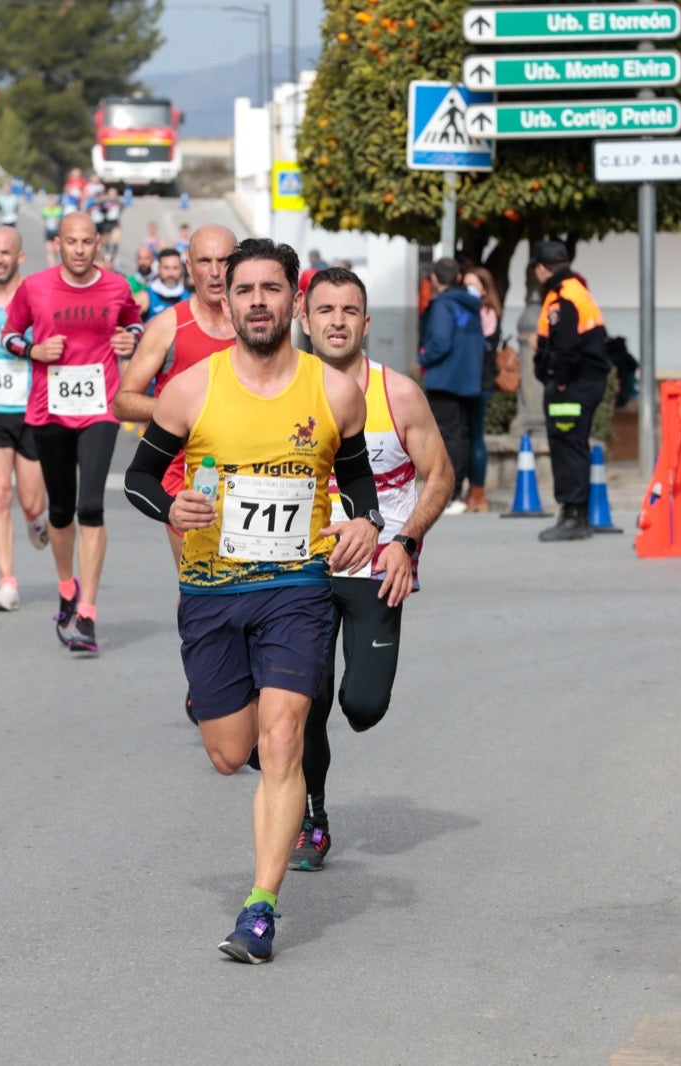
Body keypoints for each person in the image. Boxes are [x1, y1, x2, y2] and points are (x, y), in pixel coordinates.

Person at [122, 238, 381, 963]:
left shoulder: (332, 390)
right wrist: (169, 509)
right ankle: (262, 785)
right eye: (245, 290)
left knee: (283, 737)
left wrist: (364, 522)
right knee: (229, 752)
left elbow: (359, 484)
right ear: (226, 301)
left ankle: (260, 909)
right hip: (210, 591)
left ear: (294, 300)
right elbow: (140, 479)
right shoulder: (190, 389)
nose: (259, 301)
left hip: (297, 589)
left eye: (272, 289)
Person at [288, 266, 453, 872]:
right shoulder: (281, 389)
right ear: (305, 319)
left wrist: (407, 542)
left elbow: (441, 474)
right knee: (304, 701)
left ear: (365, 322)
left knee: (361, 705)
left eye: (349, 311)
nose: (336, 322)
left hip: (377, 569)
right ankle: (312, 817)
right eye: (325, 310)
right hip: (299, 568)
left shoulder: (398, 393)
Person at [0, 213, 142, 651]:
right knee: (60, 510)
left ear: (98, 243)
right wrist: (34, 350)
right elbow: (9, 335)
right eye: (71, 242)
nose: (79, 249)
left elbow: (135, 322)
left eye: (86, 242)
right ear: (57, 244)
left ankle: (87, 614)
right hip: (50, 412)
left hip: (101, 408)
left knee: (92, 506)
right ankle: (67, 588)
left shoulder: (117, 286)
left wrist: (129, 339)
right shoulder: (35, 287)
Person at [114, 224, 237, 565]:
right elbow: (124, 401)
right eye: (204, 261)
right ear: (188, 264)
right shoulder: (169, 324)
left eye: (225, 261)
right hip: (186, 477)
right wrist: (183, 413)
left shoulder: (255, 326)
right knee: (199, 586)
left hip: (250, 472)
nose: (214, 272)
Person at [0, 226, 49, 611]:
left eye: (6, 253)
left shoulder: (35, 295)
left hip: (31, 408)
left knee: (31, 501)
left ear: (19, 258)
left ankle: (37, 520)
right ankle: (7, 583)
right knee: (0, 494)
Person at [531, 239, 610, 542]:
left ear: (541, 268)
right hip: (584, 381)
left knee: (567, 446)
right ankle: (576, 513)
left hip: (572, 385)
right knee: (573, 445)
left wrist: (559, 380)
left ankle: (573, 515)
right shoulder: (576, 290)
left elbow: (566, 348)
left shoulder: (562, 297)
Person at [419, 258, 485, 519]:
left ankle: (451, 493)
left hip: (445, 379)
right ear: (458, 278)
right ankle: (461, 491)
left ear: (435, 279)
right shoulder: (472, 305)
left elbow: (440, 342)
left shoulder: (443, 305)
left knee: (448, 437)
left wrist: (423, 358)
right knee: (464, 436)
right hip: (469, 378)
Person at [462, 265, 507, 513]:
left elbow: (481, 342)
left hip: (479, 382)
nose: (468, 289)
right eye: (465, 284)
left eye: (473, 284)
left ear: (484, 288)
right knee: (468, 435)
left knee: (475, 436)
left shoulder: (486, 312)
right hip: (472, 380)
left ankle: (477, 491)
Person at [135, 247, 188, 319]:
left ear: (181, 269)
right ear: (158, 269)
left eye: (175, 268)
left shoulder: (189, 299)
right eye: (166, 268)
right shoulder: (145, 297)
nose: (170, 273)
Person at [41, 196, 64, 266]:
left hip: (56, 232)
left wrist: (58, 221)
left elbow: (63, 220)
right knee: (49, 250)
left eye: (52, 202)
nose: (51, 204)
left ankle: (57, 262)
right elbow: (42, 219)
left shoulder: (59, 210)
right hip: (48, 232)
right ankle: (51, 267)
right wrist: (43, 223)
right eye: (50, 202)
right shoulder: (45, 210)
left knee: (56, 250)